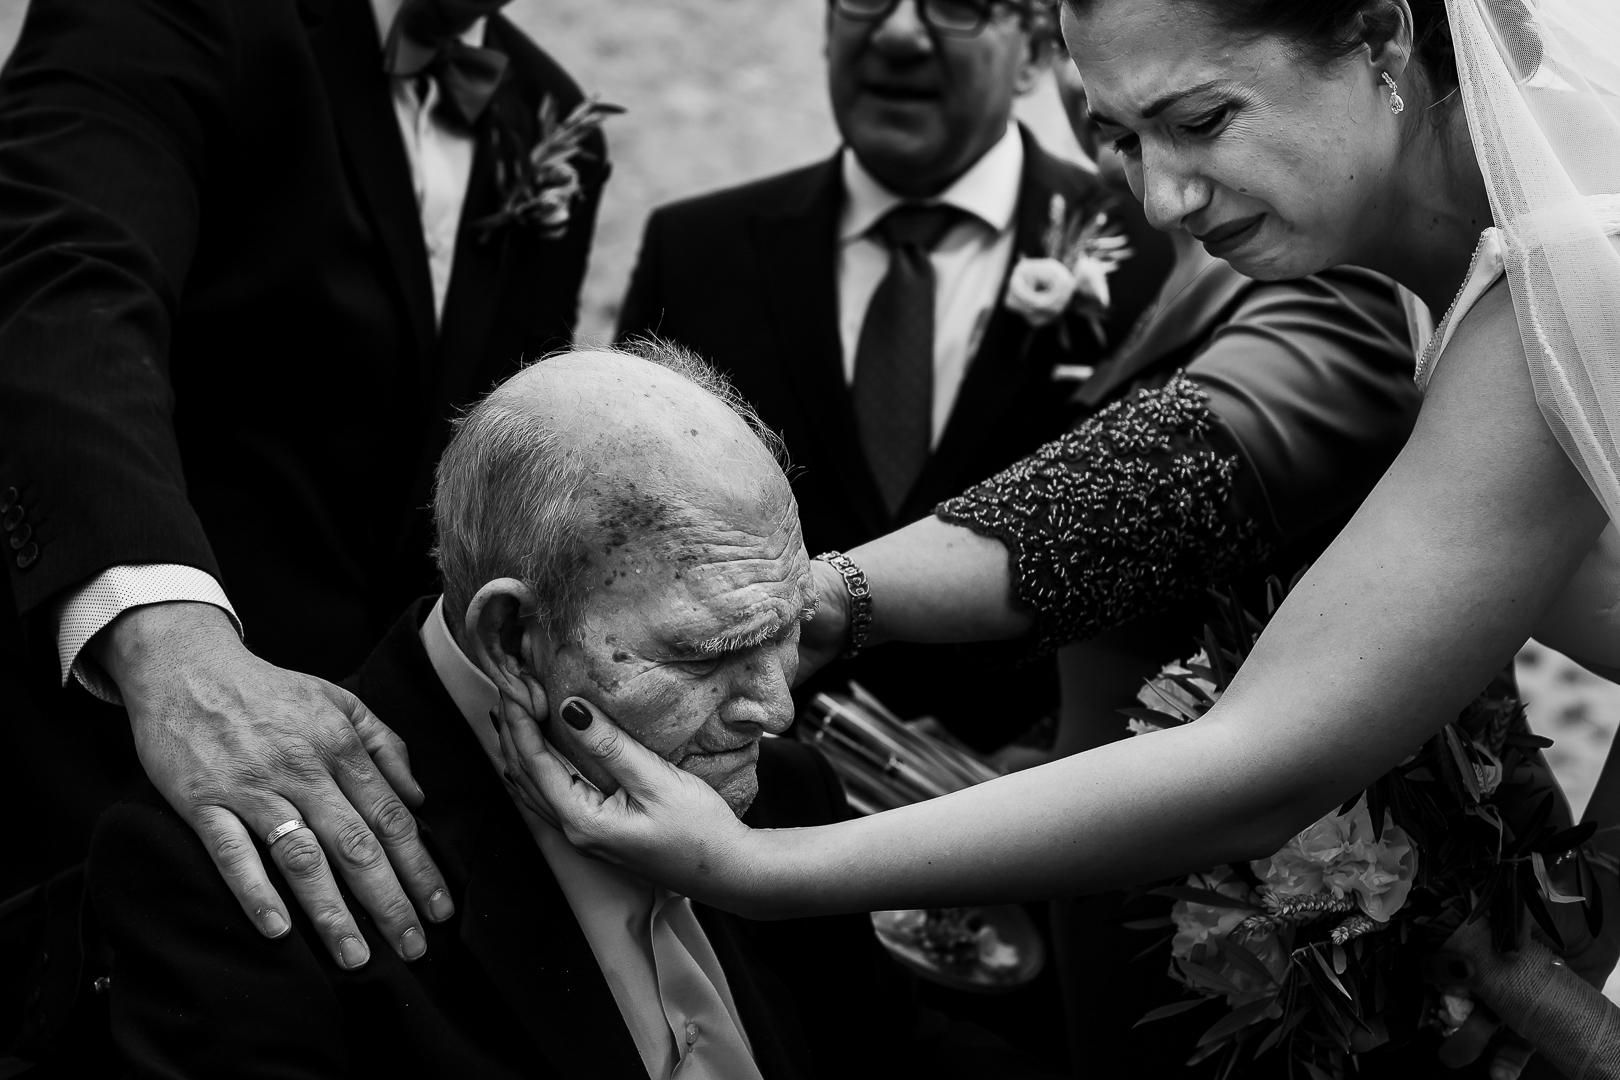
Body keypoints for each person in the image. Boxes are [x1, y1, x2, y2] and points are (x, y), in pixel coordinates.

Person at [507, 0, 1620, 1073]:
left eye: (1199, 122)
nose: (1165, 200)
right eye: (1119, 140)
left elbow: (1261, 755)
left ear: (1379, 35)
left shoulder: (1568, 279)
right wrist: (1587, 924)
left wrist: (754, 867)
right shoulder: (1478, 275)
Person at [76, 345, 1056, 1080]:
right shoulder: (245, 877)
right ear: (512, 641)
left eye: (790, 633)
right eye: (710, 652)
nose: (773, 709)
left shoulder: (787, 793)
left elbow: (894, 1058)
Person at [0, 0, 604, 972]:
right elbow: (62, 296)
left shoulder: (543, 112)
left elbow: (479, 472)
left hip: (356, 836)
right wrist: (173, 652)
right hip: (83, 788)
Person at [616, 0, 1172, 752]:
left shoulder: (1160, 256)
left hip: (1046, 804)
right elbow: (631, 542)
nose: (901, 32)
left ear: (1037, 55)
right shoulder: (695, 253)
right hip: (754, 786)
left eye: (955, 5)